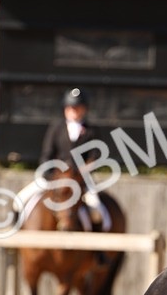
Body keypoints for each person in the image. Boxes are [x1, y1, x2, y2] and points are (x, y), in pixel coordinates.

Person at [16, 88, 105, 223]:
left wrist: (82, 173)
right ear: (65, 109)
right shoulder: (56, 128)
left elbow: (95, 157)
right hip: (54, 177)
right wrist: (50, 174)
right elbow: (47, 154)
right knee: (19, 200)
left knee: (96, 209)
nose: (73, 111)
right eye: (70, 108)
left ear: (84, 109)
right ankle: (14, 231)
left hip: (81, 181)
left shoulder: (92, 131)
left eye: (77, 108)